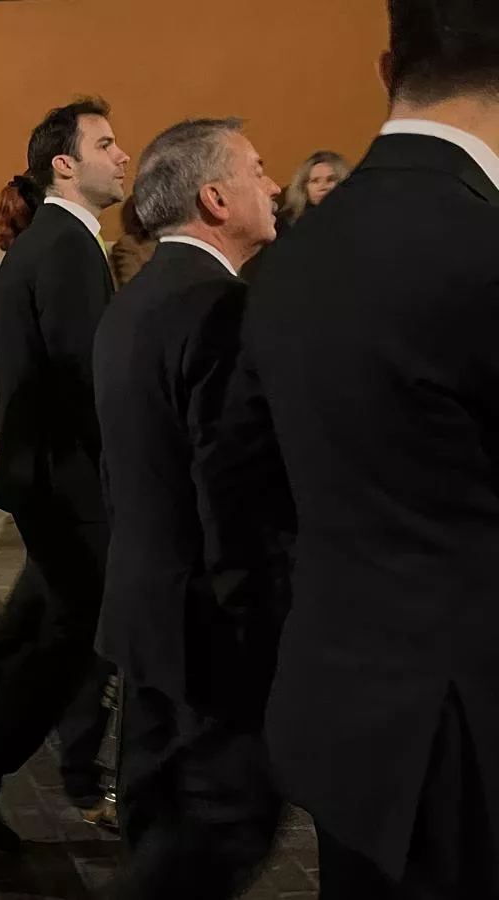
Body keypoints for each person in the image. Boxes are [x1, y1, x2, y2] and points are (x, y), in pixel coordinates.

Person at [241, 1, 499, 895]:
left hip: (339, 710)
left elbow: (250, 489)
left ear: (388, 70)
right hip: (472, 739)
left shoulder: (285, 259)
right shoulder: (483, 243)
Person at [93, 118, 290, 898]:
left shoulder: (134, 304)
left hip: (145, 615)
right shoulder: (222, 309)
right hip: (209, 630)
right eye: (258, 168)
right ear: (215, 197)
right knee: (221, 827)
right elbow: (234, 492)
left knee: (158, 817)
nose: (272, 185)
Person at [0, 98, 129, 854]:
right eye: (107, 144)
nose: (123, 155)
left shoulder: (47, 243)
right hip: (70, 480)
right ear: (64, 164)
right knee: (75, 641)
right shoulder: (69, 247)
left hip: (48, 477)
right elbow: (85, 377)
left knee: (62, 626)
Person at [278, 150, 351, 227]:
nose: (323, 187)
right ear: (304, 187)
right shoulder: (287, 223)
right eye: (315, 181)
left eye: (331, 179)